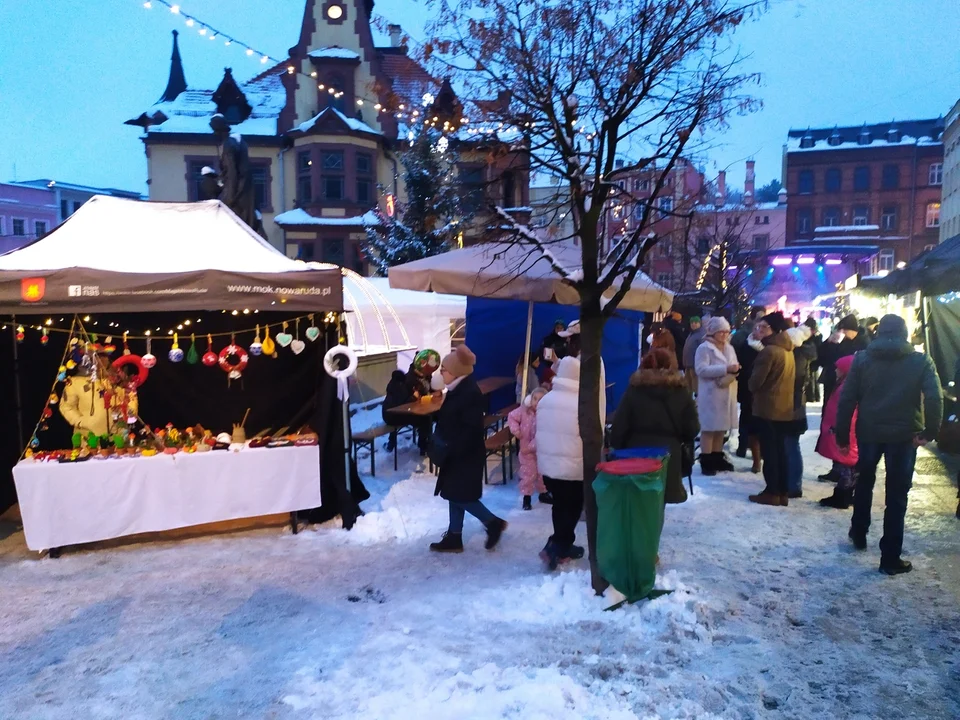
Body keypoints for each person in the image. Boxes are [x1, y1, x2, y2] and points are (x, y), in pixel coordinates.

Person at [836, 315, 943, 575]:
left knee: (864, 481)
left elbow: (847, 398)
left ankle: (859, 530)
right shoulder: (920, 361)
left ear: (878, 333)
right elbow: (934, 397)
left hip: (869, 431)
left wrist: (841, 436)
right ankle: (890, 557)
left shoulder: (862, 359)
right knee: (897, 495)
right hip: (904, 435)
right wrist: (929, 431)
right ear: (905, 334)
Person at [429, 345, 508, 553]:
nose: (441, 373)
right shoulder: (458, 390)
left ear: (455, 371)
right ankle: (454, 536)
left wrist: (452, 449)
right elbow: (452, 418)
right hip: (458, 451)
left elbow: (470, 428)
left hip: (464, 453)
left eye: (444, 369)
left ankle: (492, 523)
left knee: (459, 495)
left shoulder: (468, 393)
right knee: (452, 492)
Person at [610, 348, 699, 504]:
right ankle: (654, 528)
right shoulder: (681, 391)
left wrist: (616, 447)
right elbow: (692, 428)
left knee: (638, 500)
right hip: (668, 454)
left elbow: (620, 425)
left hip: (635, 452)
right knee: (660, 499)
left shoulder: (635, 390)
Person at [535, 356, 586, 569]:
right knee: (573, 506)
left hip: (549, 466)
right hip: (573, 467)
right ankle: (558, 546)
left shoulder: (546, 399)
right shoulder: (582, 403)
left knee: (559, 504)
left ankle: (561, 542)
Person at [747, 312, 796, 507]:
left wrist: (750, 379)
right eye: (758, 326)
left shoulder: (769, 351)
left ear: (774, 329)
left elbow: (755, 382)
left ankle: (772, 491)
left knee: (770, 452)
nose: (759, 330)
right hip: (784, 408)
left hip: (768, 408)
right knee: (780, 451)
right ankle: (782, 491)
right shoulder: (788, 349)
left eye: (764, 327)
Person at [818, 314, 869, 481]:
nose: (841, 332)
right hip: (834, 386)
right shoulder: (842, 342)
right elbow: (824, 359)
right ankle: (836, 467)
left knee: (845, 430)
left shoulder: (863, 343)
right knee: (832, 427)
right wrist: (829, 343)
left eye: (843, 329)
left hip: (850, 390)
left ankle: (846, 472)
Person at [694, 317, 739, 475]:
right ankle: (706, 460)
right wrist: (725, 369)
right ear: (713, 332)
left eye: (726, 331)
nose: (724, 335)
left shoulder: (729, 348)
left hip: (727, 391)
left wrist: (733, 371)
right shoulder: (704, 348)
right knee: (708, 429)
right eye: (721, 331)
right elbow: (701, 369)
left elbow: (734, 366)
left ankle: (717, 456)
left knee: (721, 429)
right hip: (711, 393)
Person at [816, 355, 859, 509]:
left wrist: (839, 431)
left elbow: (846, 412)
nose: (835, 370)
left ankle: (842, 497)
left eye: (839, 368)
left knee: (847, 465)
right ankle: (846, 495)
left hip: (846, 431)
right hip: (843, 429)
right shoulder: (846, 383)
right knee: (848, 465)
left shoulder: (847, 386)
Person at [783, 323, 817, 499]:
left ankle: (794, 485)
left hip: (792, 405)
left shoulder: (796, 356)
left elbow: (791, 380)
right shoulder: (801, 354)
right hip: (796, 404)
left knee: (790, 445)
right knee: (790, 444)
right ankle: (792, 483)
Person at [507, 387, 551, 511]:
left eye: (540, 399)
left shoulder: (546, 415)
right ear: (529, 400)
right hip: (526, 452)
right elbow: (511, 417)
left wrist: (529, 447)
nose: (536, 402)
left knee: (542, 473)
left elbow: (542, 435)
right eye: (534, 399)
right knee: (528, 474)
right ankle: (527, 497)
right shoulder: (523, 411)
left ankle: (543, 493)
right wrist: (516, 430)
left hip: (542, 451)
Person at [558, 320, 606, 427]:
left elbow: (568, 382)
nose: (567, 340)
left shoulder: (586, 360)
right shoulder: (590, 357)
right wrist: (556, 362)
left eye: (570, 337)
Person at [734, 322, 764, 473]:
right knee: (746, 418)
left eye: (761, 329)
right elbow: (740, 364)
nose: (758, 332)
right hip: (747, 387)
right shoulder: (745, 346)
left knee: (759, 423)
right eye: (755, 329)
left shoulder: (768, 348)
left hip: (763, 391)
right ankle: (742, 446)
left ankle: (758, 455)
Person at [681, 316, 706, 395]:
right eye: (692, 323)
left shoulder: (701, 334)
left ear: (699, 323)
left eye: (695, 323)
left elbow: (702, 350)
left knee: (695, 384)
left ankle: (697, 400)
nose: (693, 324)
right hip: (688, 363)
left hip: (695, 364)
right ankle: (688, 399)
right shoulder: (691, 334)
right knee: (688, 384)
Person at [803, 317, 823, 403]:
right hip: (816, 359)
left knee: (810, 377)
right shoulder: (818, 336)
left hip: (809, 359)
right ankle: (815, 396)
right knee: (814, 377)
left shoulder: (808, 336)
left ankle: (811, 396)